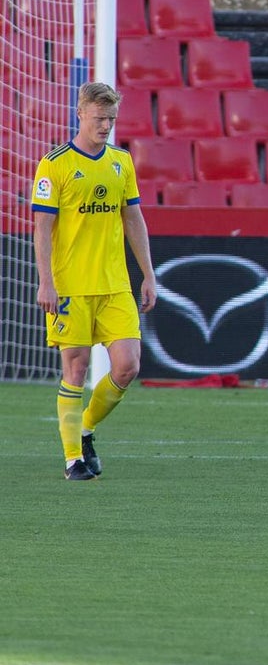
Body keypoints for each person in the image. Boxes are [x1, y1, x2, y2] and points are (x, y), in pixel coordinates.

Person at [32, 82, 157, 480]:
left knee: (127, 366)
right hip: (70, 286)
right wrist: (46, 282)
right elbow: (42, 227)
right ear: (81, 113)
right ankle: (72, 461)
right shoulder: (55, 164)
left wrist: (148, 275)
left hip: (114, 284)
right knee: (76, 368)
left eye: (111, 119)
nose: (106, 125)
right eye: (99, 118)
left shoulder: (121, 161)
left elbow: (133, 219)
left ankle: (85, 430)